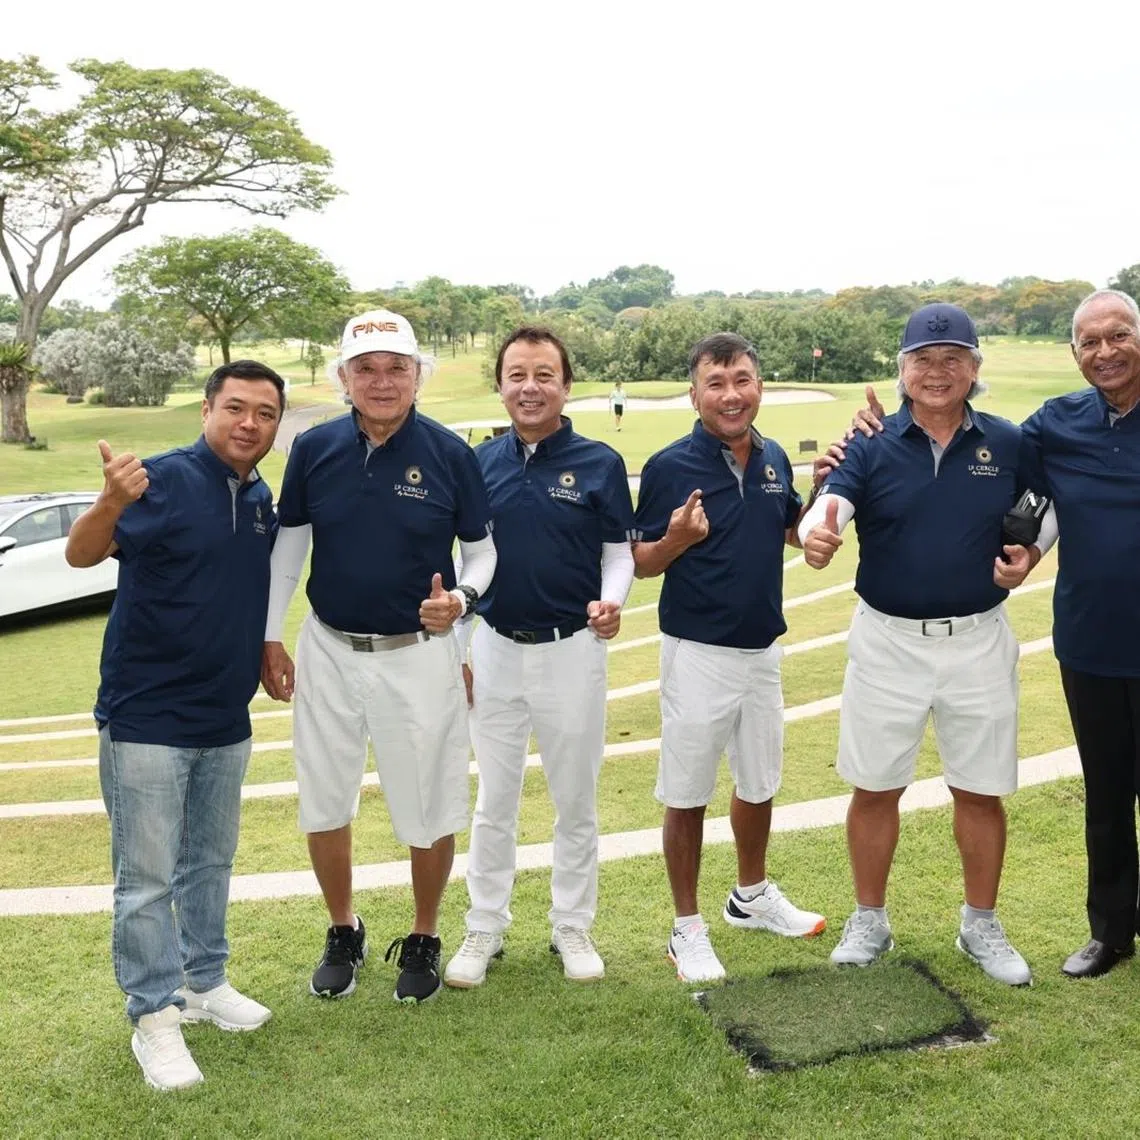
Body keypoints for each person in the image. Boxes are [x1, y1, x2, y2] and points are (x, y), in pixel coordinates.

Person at [800, 302, 1053, 986]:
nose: (937, 371)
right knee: (875, 787)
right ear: (903, 369)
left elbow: (1042, 505)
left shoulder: (1008, 441)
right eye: (923, 359)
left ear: (974, 368)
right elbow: (834, 502)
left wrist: (1030, 553)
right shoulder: (869, 441)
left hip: (978, 639)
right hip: (887, 642)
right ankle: (869, 919)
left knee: (981, 790)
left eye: (952, 359)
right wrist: (820, 530)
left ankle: (980, 924)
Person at [260, 310, 496, 1005]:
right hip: (329, 648)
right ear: (345, 377)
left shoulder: (450, 453)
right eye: (366, 368)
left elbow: (482, 552)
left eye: (397, 367)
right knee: (324, 797)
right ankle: (344, 927)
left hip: (418, 653)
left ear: (418, 375)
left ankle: (423, 933)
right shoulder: (314, 448)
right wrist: (270, 635)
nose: (382, 381)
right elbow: (289, 547)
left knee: (430, 802)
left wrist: (461, 599)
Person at [65, 360, 286, 1091]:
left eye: (265, 413)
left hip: (225, 717)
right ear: (206, 410)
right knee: (146, 880)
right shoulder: (158, 480)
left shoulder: (260, 497)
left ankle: (203, 982)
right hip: (147, 716)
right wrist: (109, 500)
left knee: (209, 862)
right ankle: (153, 1015)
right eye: (236, 408)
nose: (249, 423)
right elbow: (81, 553)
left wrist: (264, 649)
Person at [443, 327, 635, 989]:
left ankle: (571, 924)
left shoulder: (601, 463)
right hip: (494, 649)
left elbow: (618, 554)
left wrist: (612, 601)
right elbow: (463, 561)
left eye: (544, 375)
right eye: (517, 375)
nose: (530, 387)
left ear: (566, 386)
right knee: (493, 801)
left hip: (572, 651)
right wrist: (458, 648)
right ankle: (484, 926)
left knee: (574, 800)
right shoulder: (475, 464)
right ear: (500, 386)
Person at [631, 331, 826, 984]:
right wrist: (675, 539)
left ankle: (751, 896)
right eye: (715, 383)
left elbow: (791, 528)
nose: (731, 394)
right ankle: (686, 927)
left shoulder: (774, 458)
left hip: (761, 649)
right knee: (687, 793)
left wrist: (823, 496)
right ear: (694, 395)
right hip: (697, 654)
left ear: (758, 386)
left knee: (759, 781)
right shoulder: (668, 466)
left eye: (742, 380)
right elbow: (642, 563)